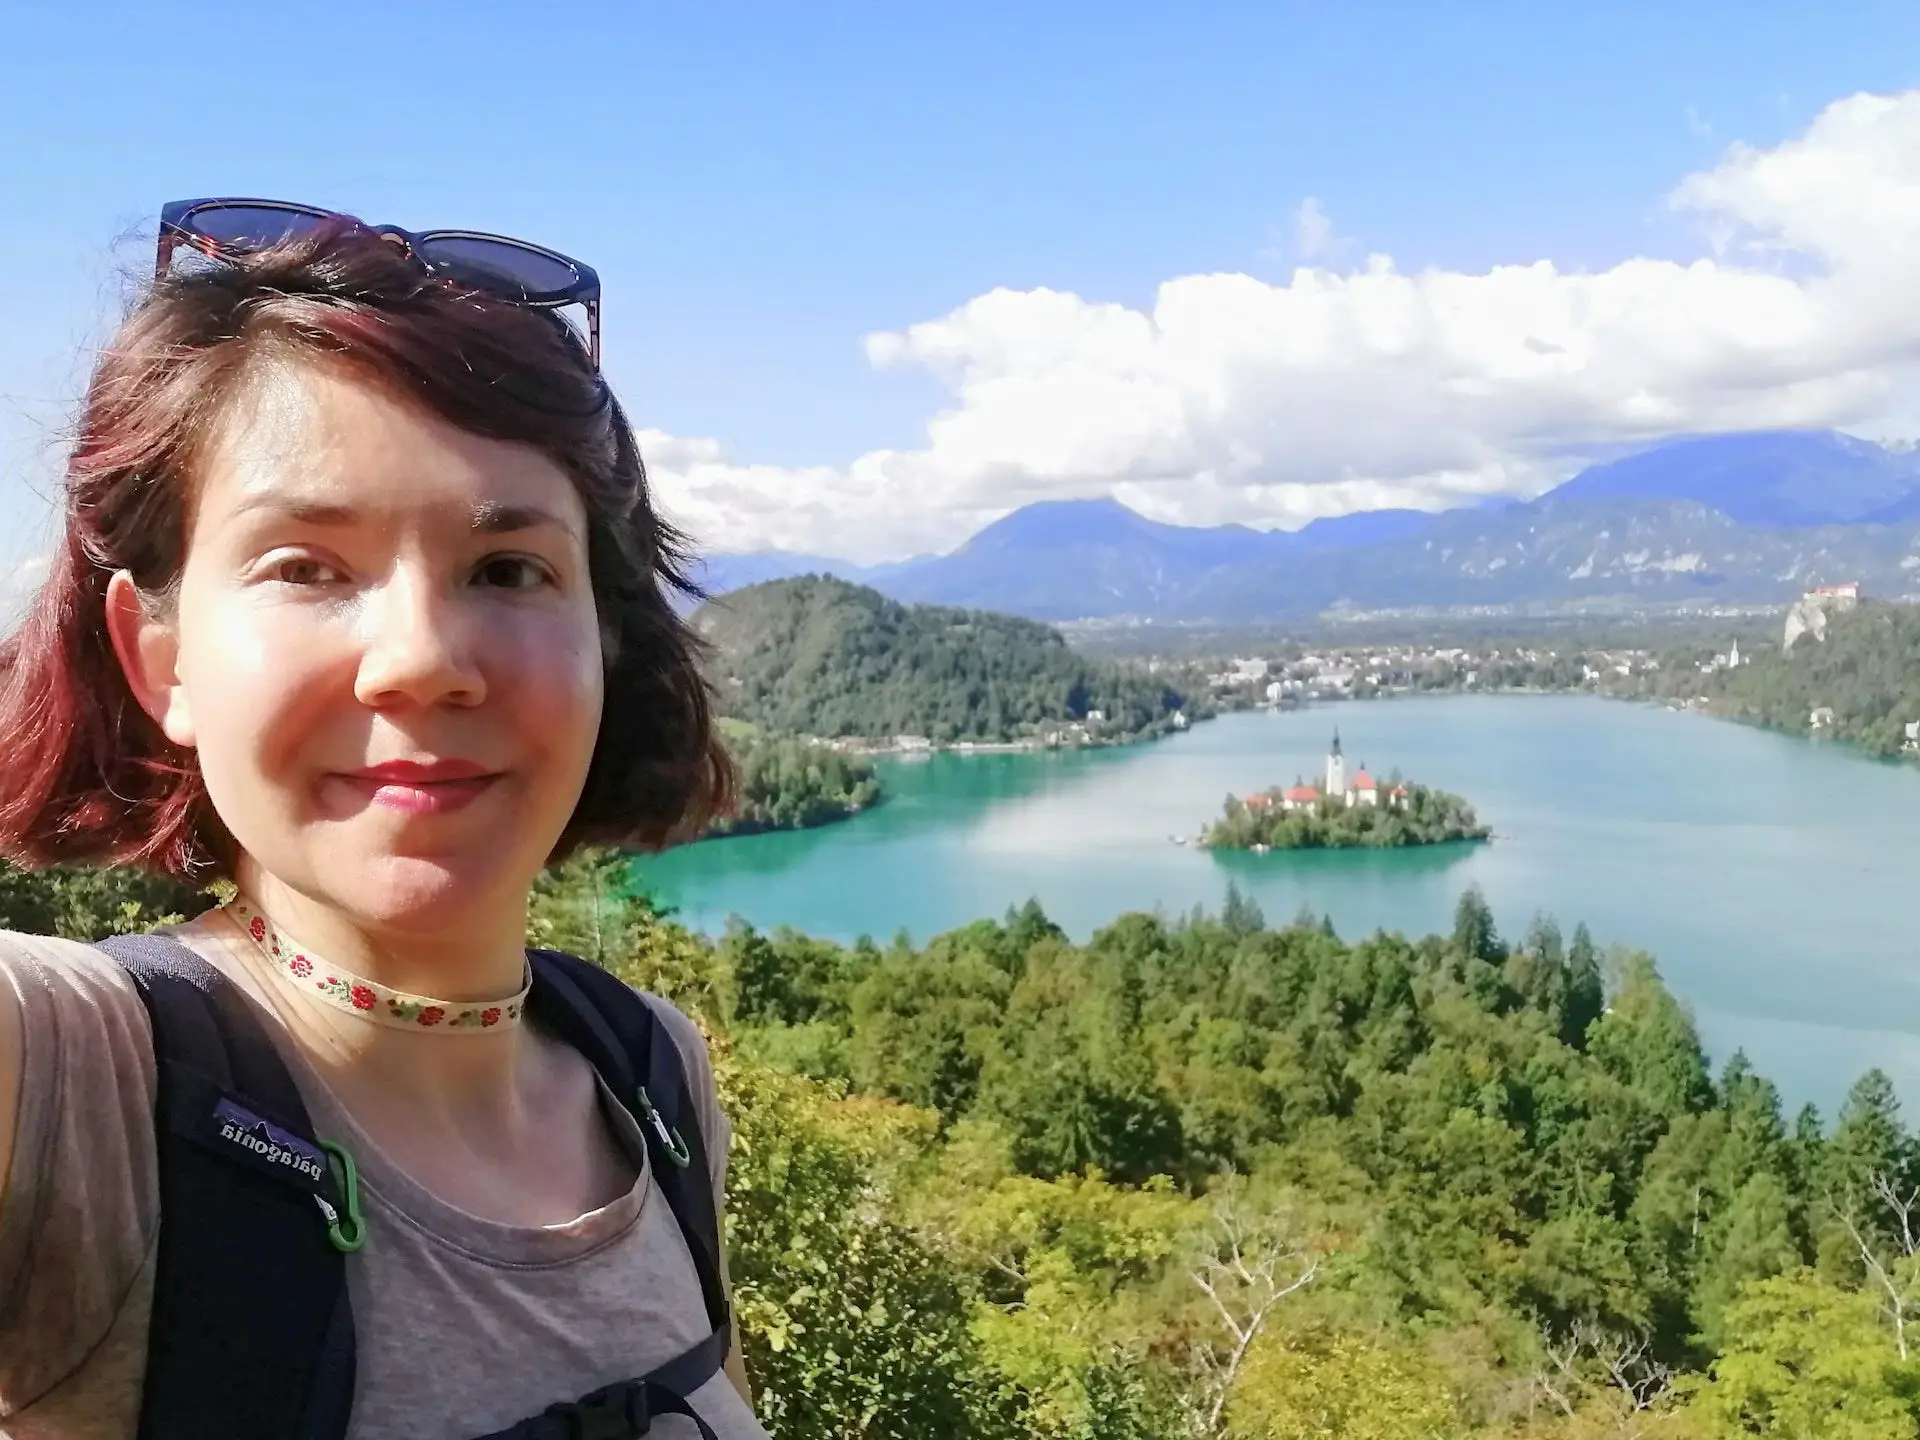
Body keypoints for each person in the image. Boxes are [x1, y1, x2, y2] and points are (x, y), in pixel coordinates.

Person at [0, 201, 766, 1439]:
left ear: (601, 643)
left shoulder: (652, 1077)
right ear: (161, 659)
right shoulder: (80, 1079)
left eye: (508, 569)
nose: (420, 660)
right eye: (305, 565)